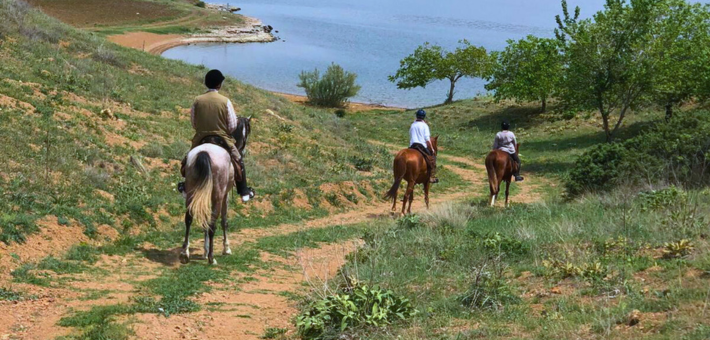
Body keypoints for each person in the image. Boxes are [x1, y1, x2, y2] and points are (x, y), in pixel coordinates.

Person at [179, 69, 252, 202]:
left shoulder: (197, 100)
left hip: (201, 137)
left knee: (188, 159)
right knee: (238, 159)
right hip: (222, 137)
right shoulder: (225, 101)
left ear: (206, 83)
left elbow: (194, 123)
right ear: (219, 85)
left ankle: (185, 186)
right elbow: (232, 125)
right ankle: (243, 191)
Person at [409, 109, 438, 183]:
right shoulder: (425, 125)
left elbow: (410, 135)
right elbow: (427, 139)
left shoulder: (413, 125)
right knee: (431, 160)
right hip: (421, 146)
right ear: (424, 117)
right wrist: (432, 149)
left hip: (412, 145)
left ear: (417, 116)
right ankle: (431, 177)